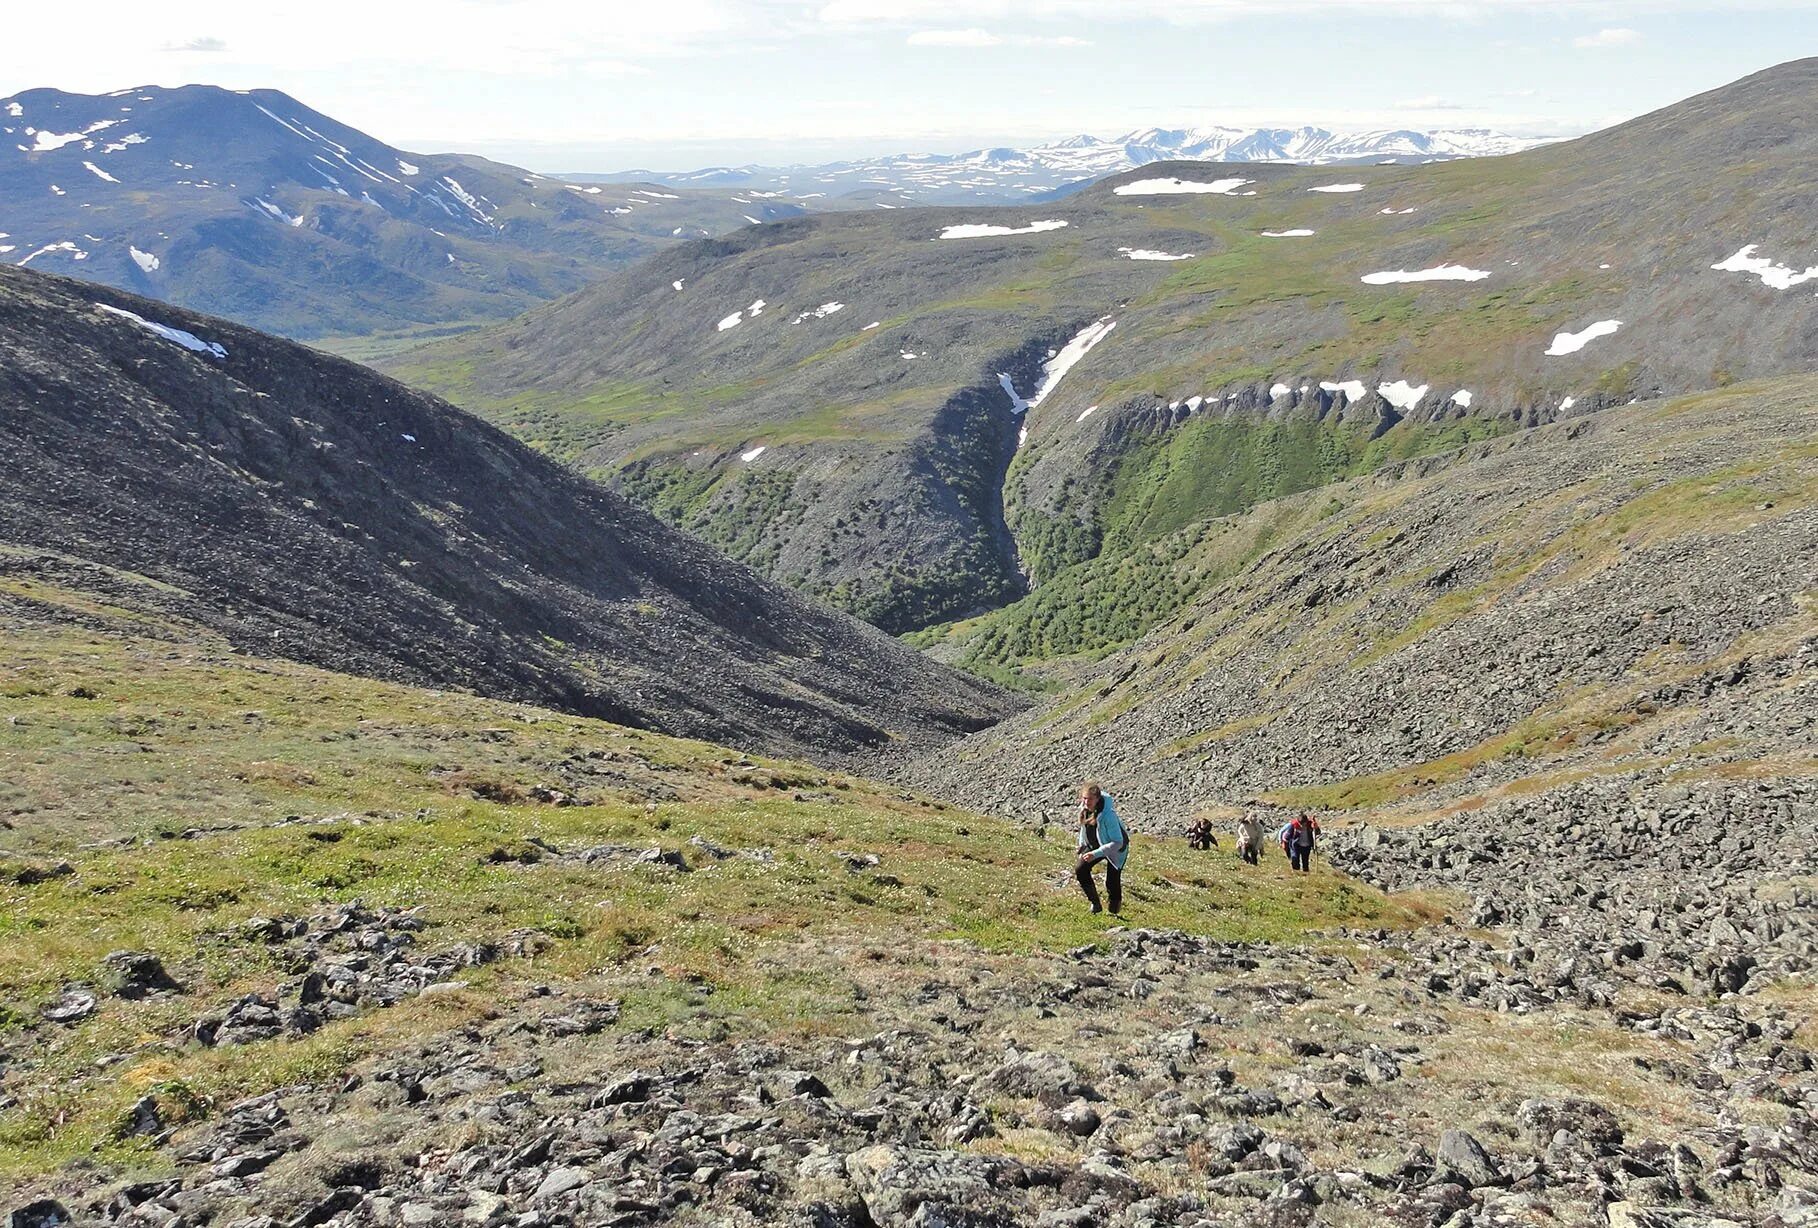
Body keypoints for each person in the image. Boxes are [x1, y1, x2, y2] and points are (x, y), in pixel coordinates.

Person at [1074, 782, 1129, 915]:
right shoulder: (1084, 809)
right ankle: (1095, 903)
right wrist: (1082, 844)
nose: (1087, 802)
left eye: (1090, 799)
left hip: (1115, 848)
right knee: (1080, 869)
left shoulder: (1108, 815)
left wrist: (1096, 853)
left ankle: (1113, 911)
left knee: (1112, 881)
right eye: (1084, 798)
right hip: (1095, 845)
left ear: (1098, 799)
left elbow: (1117, 842)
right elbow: (1084, 828)